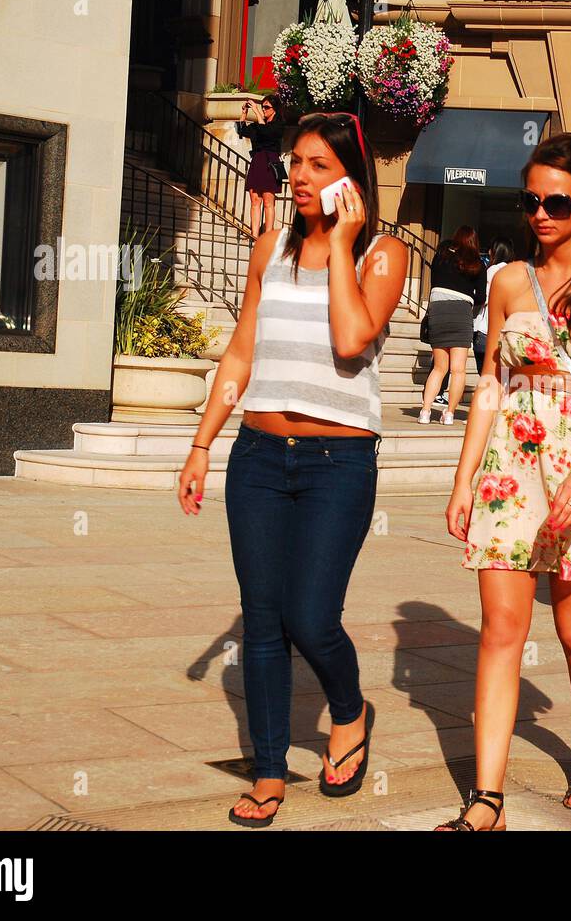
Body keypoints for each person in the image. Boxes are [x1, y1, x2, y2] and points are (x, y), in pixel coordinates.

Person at [177, 112, 407, 827]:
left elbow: (350, 340)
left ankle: (349, 709)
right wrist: (203, 441)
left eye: (317, 165)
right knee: (265, 621)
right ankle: (270, 769)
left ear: (350, 179)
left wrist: (340, 243)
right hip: (258, 457)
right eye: (294, 164)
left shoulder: (382, 256)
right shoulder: (268, 245)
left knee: (312, 615)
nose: (299, 177)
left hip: (338, 461)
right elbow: (243, 347)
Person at [439, 134, 571, 830]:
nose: (541, 213)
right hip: (510, 466)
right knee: (500, 628)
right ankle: (487, 798)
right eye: (531, 200)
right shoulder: (505, 282)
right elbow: (492, 387)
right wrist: (465, 478)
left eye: (557, 201)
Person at [419, 226, 486, 425]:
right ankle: (449, 414)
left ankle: (425, 411)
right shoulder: (477, 264)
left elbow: (433, 282)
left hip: (438, 309)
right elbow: (481, 297)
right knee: (458, 369)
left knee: (439, 367)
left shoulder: (441, 257)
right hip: (461, 312)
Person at [236, 94, 285, 238]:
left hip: (270, 160)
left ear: (274, 109)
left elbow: (267, 133)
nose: (264, 110)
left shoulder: (278, 125)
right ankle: (254, 235)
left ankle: (268, 236)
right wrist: (244, 113)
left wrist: (257, 111)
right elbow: (241, 130)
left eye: (267, 107)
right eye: (262, 107)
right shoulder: (257, 125)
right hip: (258, 160)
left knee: (269, 201)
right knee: (255, 200)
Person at [473, 237, 514, 376]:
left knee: (486, 374)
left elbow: (484, 298)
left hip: (486, 330)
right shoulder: (514, 271)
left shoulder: (492, 271)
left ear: (495, 252)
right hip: (508, 332)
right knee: (503, 377)